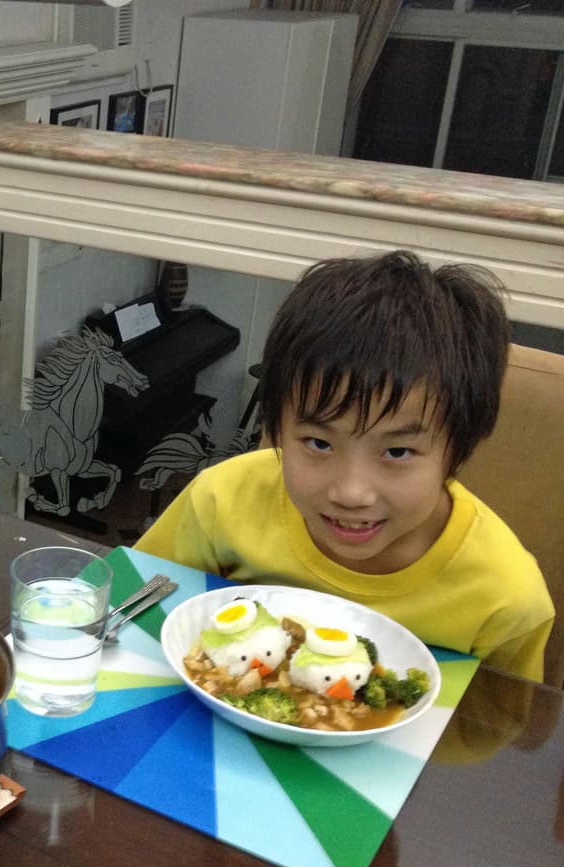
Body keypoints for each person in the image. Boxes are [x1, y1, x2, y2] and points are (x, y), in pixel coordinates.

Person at [137, 250, 554, 683]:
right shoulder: (220, 501)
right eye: (318, 442)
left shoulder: (507, 598)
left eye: (397, 452)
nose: (352, 492)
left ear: (458, 447)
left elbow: (502, 733)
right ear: (276, 427)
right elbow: (136, 610)